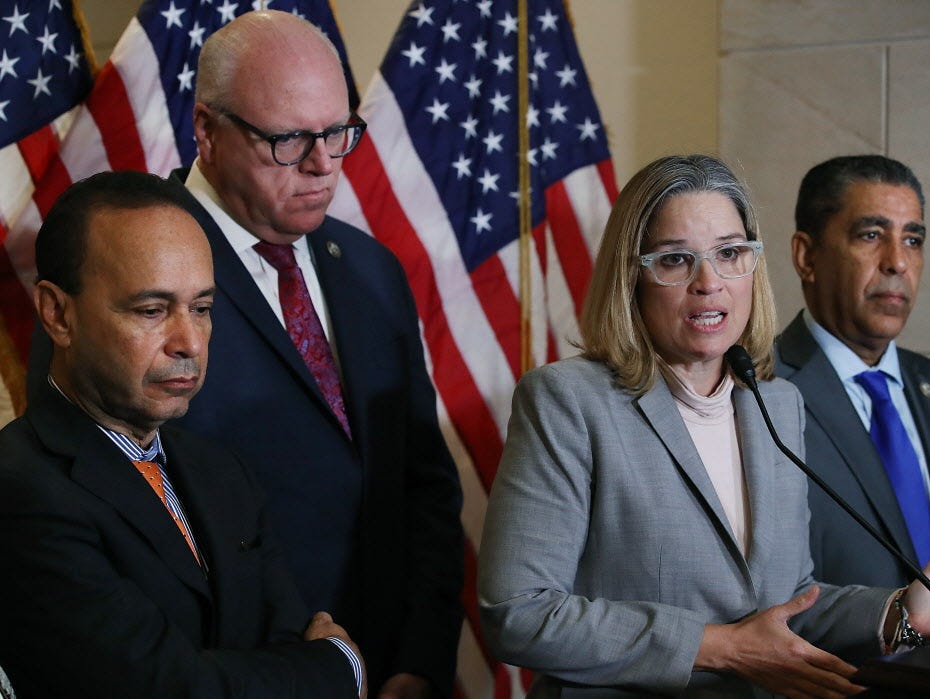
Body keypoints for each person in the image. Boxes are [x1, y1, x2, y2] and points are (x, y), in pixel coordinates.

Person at [477, 154, 930, 698]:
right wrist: (722, 647)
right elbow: (519, 613)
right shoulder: (569, 401)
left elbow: (790, 599)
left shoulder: (776, 403)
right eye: (674, 260)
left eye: (730, 253)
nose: (709, 283)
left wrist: (904, 611)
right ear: (633, 276)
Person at [170, 10, 463, 698]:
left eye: (338, 133)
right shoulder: (137, 276)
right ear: (207, 130)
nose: (323, 164)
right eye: (289, 139)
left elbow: (423, 485)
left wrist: (419, 659)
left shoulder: (371, 270)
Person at [0, 171, 364, 698]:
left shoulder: (220, 472)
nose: (189, 342)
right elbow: (169, 689)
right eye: (151, 310)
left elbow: (282, 637)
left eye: (202, 309)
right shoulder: (20, 487)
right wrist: (338, 669)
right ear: (58, 314)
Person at [775, 155, 930, 588]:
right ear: (806, 256)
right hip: (840, 655)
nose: (897, 262)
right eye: (871, 235)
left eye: (913, 239)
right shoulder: (758, 393)